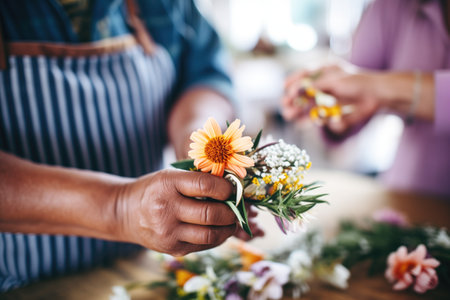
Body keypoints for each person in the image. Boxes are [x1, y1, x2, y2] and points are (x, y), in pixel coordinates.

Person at [0, 0, 262, 292]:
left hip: (135, 269)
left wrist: (199, 139)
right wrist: (120, 207)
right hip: (17, 282)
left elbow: (205, 75)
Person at [282, 0, 450, 197]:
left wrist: (377, 87)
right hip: (408, 194)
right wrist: (335, 105)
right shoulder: (393, 6)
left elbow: (366, 83)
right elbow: (358, 80)